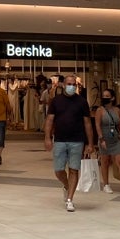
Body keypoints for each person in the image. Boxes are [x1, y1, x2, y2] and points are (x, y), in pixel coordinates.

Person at [45, 74, 95, 212]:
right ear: (63, 85)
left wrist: (90, 143)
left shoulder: (82, 102)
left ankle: (70, 199)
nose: (71, 86)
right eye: (69, 84)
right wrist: (47, 138)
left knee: (74, 169)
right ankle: (67, 185)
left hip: (77, 140)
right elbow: (49, 120)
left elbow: (87, 123)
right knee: (59, 170)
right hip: (60, 139)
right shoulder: (56, 101)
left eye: (74, 84)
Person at [95, 89, 120, 196]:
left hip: (115, 139)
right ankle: (106, 184)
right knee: (105, 161)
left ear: (112, 98)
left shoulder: (117, 110)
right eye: (103, 95)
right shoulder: (100, 110)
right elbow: (97, 125)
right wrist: (101, 138)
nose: (105, 98)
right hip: (104, 138)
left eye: (107, 96)